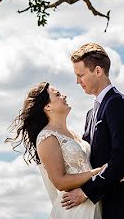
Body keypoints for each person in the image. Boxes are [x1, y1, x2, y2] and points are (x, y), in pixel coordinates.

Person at [61, 43, 124, 218]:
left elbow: (121, 159)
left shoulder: (118, 104)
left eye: (80, 75)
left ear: (98, 71)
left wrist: (86, 192)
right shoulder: (91, 114)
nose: (77, 81)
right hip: (104, 206)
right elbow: (89, 159)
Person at [9, 81, 104, 218]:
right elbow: (60, 181)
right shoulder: (47, 137)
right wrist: (100, 172)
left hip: (90, 203)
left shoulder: (72, 133)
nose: (64, 96)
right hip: (73, 209)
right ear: (47, 106)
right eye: (58, 95)